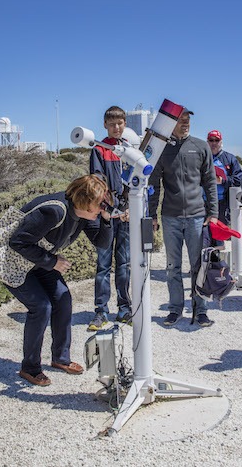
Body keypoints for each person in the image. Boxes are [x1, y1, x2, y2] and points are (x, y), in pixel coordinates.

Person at [7, 175, 113, 386]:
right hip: (15, 263)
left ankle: (60, 358)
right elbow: (17, 241)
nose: (101, 207)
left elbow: (102, 243)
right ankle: (30, 368)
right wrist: (52, 261)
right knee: (41, 307)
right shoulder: (55, 211)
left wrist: (107, 219)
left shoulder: (84, 215)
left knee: (63, 299)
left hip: (40, 261)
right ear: (84, 200)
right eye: (99, 203)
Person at [149, 108, 218, 327]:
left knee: (199, 266)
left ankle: (200, 310)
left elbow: (210, 182)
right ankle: (175, 309)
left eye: (187, 120)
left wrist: (213, 214)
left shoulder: (200, 146)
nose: (185, 124)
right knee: (172, 267)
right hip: (170, 217)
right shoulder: (162, 149)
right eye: (181, 121)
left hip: (197, 216)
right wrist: (152, 215)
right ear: (172, 124)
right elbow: (154, 185)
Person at [87, 106, 132, 331]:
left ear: (125, 124)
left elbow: (138, 182)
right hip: (107, 215)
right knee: (103, 264)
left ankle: (124, 309)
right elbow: (97, 183)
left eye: (120, 123)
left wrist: (130, 208)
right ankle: (101, 311)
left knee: (124, 264)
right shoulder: (99, 149)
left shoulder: (131, 150)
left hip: (126, 216)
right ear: (105, 125)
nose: (116, 127)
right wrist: (109, 209)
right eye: (112, 124)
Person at [206, 130, 242, 246]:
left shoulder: (230, 159)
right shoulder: (201, 158)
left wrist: (222, 181)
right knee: (204, 236)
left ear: (221, 142)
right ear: (207, 142)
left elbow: (239, 180)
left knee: (219, 237)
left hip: (222, 203)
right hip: (202, 204)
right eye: (211, 140)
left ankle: (220, 262)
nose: (214, 143)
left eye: (217, 140)